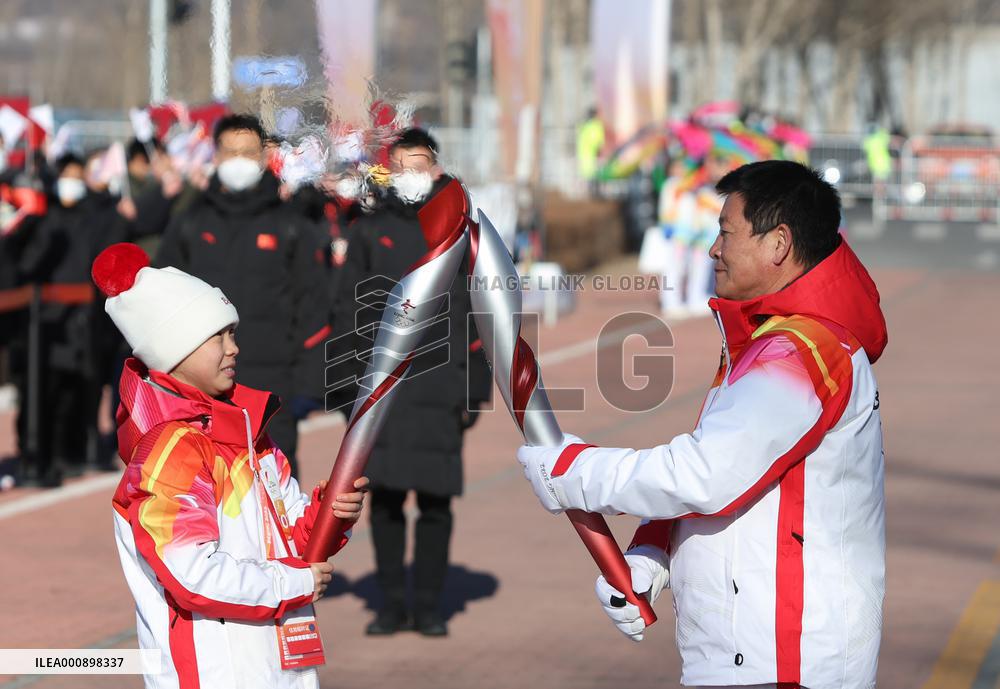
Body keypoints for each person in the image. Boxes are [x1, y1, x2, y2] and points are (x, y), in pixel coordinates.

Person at [516, 160, 888, 689]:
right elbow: (738, 476)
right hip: (743, 655)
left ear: (778, 244)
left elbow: (705, 474)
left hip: (788, 662)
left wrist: (574, 471)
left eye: (726, 232)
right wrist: (652, 554)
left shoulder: (804, 352)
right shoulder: (767, 343)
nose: (714, 249)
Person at [92, 242, 368, 689]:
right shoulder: (171, 452)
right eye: (216, 337)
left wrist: (331, 513)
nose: (234, 348)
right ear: (173, 349)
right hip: (213, 674)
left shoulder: (250, 437)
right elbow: (192, 575)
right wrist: (290, 585)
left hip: (280, 667)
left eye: (233, 334)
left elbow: (294, 536)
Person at [329, 128, 492, 637]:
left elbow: (482, 314)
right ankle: (390, 605)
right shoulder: (369, 229)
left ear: (437, 168)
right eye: (402, 165)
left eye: (421, 164)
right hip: (382, 391)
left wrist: (475, 390)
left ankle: (428, 607)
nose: (412, 175)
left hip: (441, 385)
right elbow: (346, 311)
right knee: (386, 499)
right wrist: (344, 389)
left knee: (436, 502)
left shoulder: (461, 231)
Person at [156, 114, 330, 478]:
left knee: (274, 486)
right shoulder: (191, 223)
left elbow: (314, 303)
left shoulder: (291, 226)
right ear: (216, 157)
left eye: (248, 153)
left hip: (271, 382)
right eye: (231, 152)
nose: (239, 161)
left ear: (265, 158)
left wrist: (309, 384)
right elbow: (162, 299)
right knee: (203, 482)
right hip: (200, 382)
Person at [15, 152, 128, 484]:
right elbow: (26, 261)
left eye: (80, 177)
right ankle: (36, 456)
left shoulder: (91, 216)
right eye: (69, 175)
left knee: (76, 391)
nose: (73, 183)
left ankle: (71, 454)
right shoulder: (41, 216)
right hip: (42, 321)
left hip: (82, 319)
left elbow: (107, 246)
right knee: (39, 392)